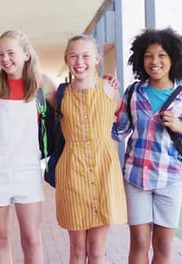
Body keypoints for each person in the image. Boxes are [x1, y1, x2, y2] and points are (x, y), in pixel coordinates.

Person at [112, 27, 182, 264]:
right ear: (140, 59)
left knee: (164, 245)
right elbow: (119, 131)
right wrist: (108, 99)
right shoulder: (134, 92)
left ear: (173, 58)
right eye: (148, 56)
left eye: (161, 55)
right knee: (140, 242)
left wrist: (181, 128)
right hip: (136, 177)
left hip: (170, 178)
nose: (154, 61)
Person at [0, 29, 56, 264]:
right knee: (1, 238)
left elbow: (70, 109)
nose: (5, 59)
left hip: (27, 170)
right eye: (0, 54)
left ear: (26, 54)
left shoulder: (42, 84)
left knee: (32, 239)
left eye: (11, 53)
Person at [53, 35, 127, 263]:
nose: (79, 61)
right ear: (66, 59)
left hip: (104, 170)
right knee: (77, 250)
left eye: (86, 55)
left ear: (96, 58)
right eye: (74, 56)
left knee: (96, 251)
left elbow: (124, 125)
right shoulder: (60, 93)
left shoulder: (110, 88)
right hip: (72, 173)